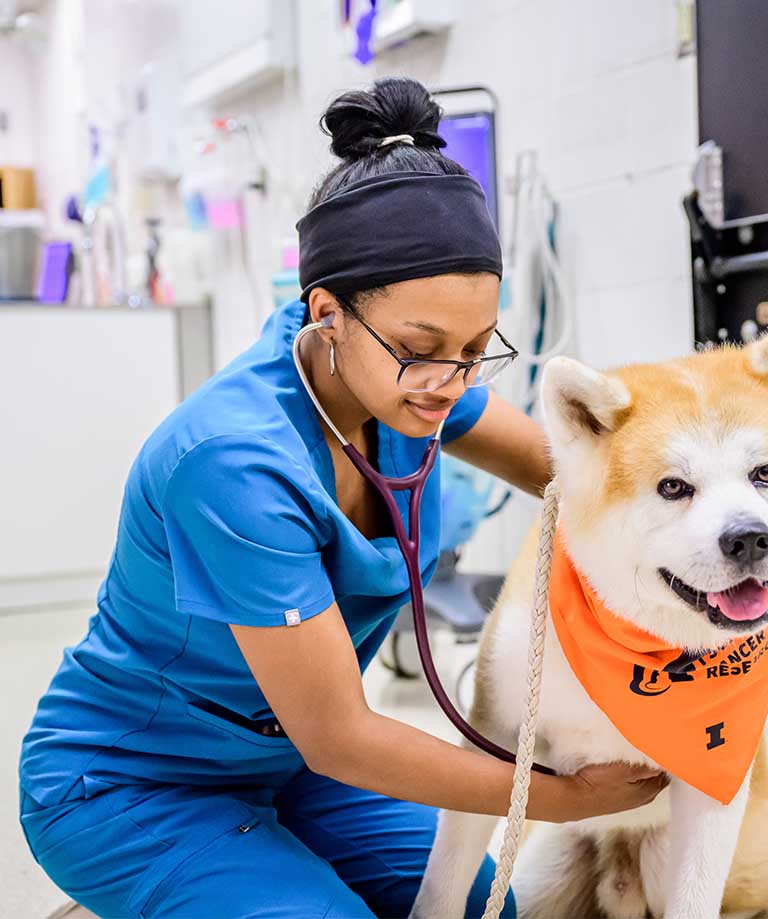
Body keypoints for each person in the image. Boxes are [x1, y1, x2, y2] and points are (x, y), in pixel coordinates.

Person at [17, 76, 666, 919]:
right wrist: (559, 795)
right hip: (131, 783)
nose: (452, 381)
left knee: (485, 910)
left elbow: (581, 477)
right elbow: (342, 734)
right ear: (326, 312)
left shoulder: (415, 381)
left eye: (475, 348)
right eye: (423, 348)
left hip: (287, 769)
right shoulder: (232, 464)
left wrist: (703, 526)